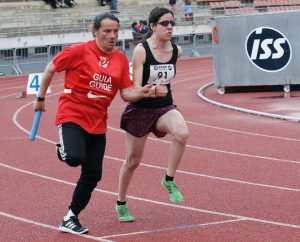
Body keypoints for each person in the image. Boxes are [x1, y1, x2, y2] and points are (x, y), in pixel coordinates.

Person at [33, 12, 157, 235]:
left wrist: (143, 92)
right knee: (74, 158)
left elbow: (126, 94)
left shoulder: (119, 59)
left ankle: (70, 217)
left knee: (93, 174)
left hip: (98, 122)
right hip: (72, 114)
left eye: (116, 31)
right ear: (95, 32)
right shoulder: (79, 50)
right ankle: (63, 149)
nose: (112, 36)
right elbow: (52, 68)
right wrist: (40, 99)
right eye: (107, 31)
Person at [116, 7, 189, 222]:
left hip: (164, 108)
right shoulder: (141, 50)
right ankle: (121, 202)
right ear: (153, 26)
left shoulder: (177, 51)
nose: (169, 27)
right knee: (133, 161)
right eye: (164, 23)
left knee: (182, 133)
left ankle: (169, 179)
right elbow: (135, 89)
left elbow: (166, 80)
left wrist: (161, 92)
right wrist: (151, 91)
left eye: (172, 24)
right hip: (140, 110)